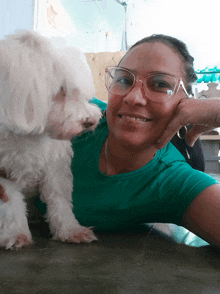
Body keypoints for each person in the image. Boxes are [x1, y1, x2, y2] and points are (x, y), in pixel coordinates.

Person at [2, 34, 220, 247]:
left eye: (160, 84)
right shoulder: (77, 114)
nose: (134, 97)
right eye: (124, 79)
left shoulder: (174, 182)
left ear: (187, 104)